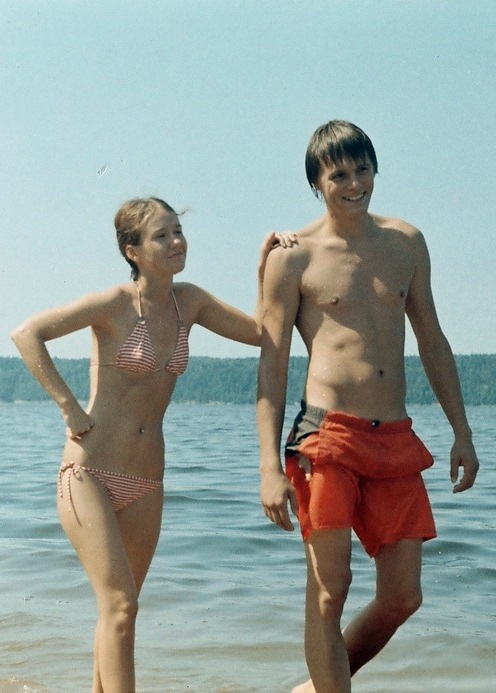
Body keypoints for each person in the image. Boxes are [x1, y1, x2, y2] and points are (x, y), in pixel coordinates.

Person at [11, 196, 294, 693]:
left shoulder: (191, 302)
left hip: (146, 481)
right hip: (89, 473)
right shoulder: (114, 304)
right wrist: (68, 405)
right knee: (120, 607)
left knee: (120, 614)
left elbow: (260, 333)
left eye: (178, 230)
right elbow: (26, 334)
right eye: (161, 236)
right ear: (133, 250)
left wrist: (263, 269)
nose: (176, 242)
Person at [256, 121, 479, 693]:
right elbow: (272, 364)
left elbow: (432, 339)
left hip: (394, 435)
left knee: (403, 596)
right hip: (326, 434)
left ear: (376, 170)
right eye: (338, 175)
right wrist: (267, 466)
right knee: (329, 591)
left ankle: (319, 685)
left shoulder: (406, 242)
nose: (354, 184)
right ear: (316, 183)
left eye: (363, 170)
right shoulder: (294, 257)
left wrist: (462, 431)